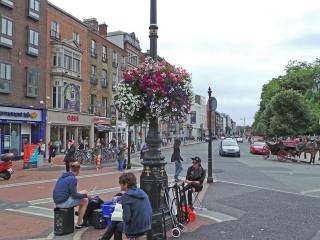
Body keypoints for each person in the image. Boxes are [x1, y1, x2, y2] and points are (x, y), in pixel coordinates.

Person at [53, 161, 89, 229]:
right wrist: (85, 196)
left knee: (84, 192)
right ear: (78, 170)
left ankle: (79, 212)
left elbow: (71, 193)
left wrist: (84, 193)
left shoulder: (63, 176)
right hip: (62, 203)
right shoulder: (73, 179)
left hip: (57, 201)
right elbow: (74, 195)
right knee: (85, 200)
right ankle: (79, 223)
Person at [119, 173, 152, 239]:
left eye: (120, 183)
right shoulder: (142, 192)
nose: (120, 185)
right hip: (147, 226)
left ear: (125, 184)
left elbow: (127, 218)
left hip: (135, 229)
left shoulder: (126, 196)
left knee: (116, 225)